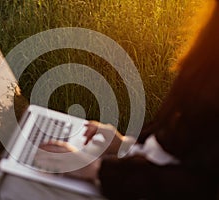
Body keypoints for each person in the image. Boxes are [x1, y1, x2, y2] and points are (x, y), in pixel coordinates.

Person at [39, 0, 219, 199]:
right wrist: (125, 146)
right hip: (137, 176)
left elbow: (196, 186)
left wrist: (95, 169)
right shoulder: (211, 48)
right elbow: (184, 153)